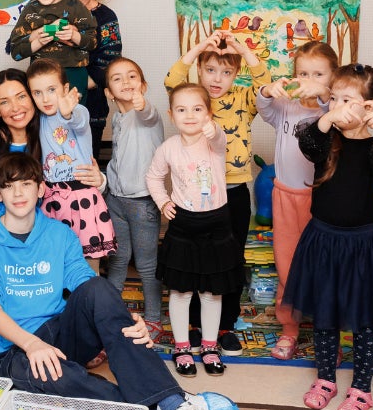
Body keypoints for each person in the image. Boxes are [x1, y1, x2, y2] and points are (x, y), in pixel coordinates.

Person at [0, 152, 233, 410]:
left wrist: (129, 321)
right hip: (13, 349)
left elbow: (88, 286)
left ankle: (171, 404)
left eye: (26, 184)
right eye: (8, 186)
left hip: (59, 332)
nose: (18, 193)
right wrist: (32, 344)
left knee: (98, 287)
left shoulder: (59, 233)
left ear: (41, 188)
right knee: (62, 380)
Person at [284, 64, 373, 410]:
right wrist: (327, 118)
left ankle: (361, 388)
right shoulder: (326, 138)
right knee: (325, 316)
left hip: (365, 245)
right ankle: (325, 380)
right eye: (333, 98)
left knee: (366, 321)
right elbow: (308, 144)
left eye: (347, 100)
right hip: (323, 240)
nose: (336, 106)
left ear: (371, 106)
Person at [164, 29, 271, 357]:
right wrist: (199, 48)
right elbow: (172, 79)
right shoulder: (194, 100)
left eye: (226, 72)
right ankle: (195, 326)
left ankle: (225, 326)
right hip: (193, 196)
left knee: (229, 261)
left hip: (234, 192)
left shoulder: (244, 99)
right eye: (210, 70)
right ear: (200, 69)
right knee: (194, 261)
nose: (217, 78)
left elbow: (265, 84)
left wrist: (241, 48)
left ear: (236, 74)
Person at [146, 83, 242, 377]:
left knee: (212, 293)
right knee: (181, 291)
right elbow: (153, 177)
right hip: (184, 226)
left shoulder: (214, 141)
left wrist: (215, 131)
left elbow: (221, 139)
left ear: (209, 114)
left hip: (217, 225)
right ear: (171, 114)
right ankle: (182, 347)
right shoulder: (168, 148)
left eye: (197, 109)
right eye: (182, 109)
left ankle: (210, 346)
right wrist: (163, 202)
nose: (190, 115)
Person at [256, 41, 339, 360]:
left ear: (332, 78)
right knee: (287, 265)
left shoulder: (331, 108)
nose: (308, 78)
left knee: (325, 268)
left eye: (318, 73)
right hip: (286, 197)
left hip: (322, 199)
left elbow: (337, 110)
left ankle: (326, 333)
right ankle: (290, 329)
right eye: (303, 73)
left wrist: (323, 92)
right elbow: (264, 108)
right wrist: (268, 89)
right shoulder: (286, 107)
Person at [0, 69, 107, 217]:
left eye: (22, 96)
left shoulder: (52, 140)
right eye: (4, 102)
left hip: (44, 237)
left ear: (33, 98)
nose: (15, 107)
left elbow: (74, 176)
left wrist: (99, 180)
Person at [26, 59, 115, 270]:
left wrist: (67, 112)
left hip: (81, 196)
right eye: (37, 93)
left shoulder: (79, 111)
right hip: (53, 198)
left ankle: (91, 299)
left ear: (65, 89)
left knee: (88, 263)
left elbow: (77, 121)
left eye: (51, 90)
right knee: (56, 261)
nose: (45, 98)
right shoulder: (37, 119)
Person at [101, 58, 164, 337]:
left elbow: (147, 113)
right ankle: (108, 313)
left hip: (142, 202)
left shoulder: (147, 114)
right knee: (118, 258)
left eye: (132, 77)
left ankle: (153, 319)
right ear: (108, 93)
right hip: (116, 199)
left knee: (147, 263)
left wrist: (142, 103)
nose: (126, 82)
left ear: (144, 85)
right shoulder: (117, 118)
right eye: (117, 79)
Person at [6, 0, 98, 95]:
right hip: (41, 75)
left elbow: (93, 42)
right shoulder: (30, 10)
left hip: (74, 72)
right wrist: (38, 41)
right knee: (44, 115)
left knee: (76, 114)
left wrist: (74, 35)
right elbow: (15, 52)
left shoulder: (75, 6)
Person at [70, 0, 123, 152]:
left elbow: (107, 69)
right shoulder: (46, 5)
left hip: (89, 112)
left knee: (84, 178)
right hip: (46, 108)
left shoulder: (106, 18)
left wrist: (70, 89)